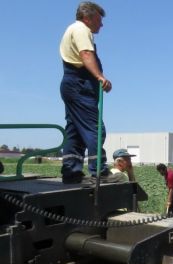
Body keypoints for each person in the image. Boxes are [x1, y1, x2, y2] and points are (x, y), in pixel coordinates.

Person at [59, 2, 113, 184]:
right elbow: (86, 54)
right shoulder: (82, 30)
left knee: (74, 130)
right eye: (99, 19)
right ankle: (100, 171)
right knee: (96, 129)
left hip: (71, 84)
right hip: (79, 84)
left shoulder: (72, 29)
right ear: (87, 17)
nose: (101, 24)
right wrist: (100, 77)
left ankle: (71, 171)